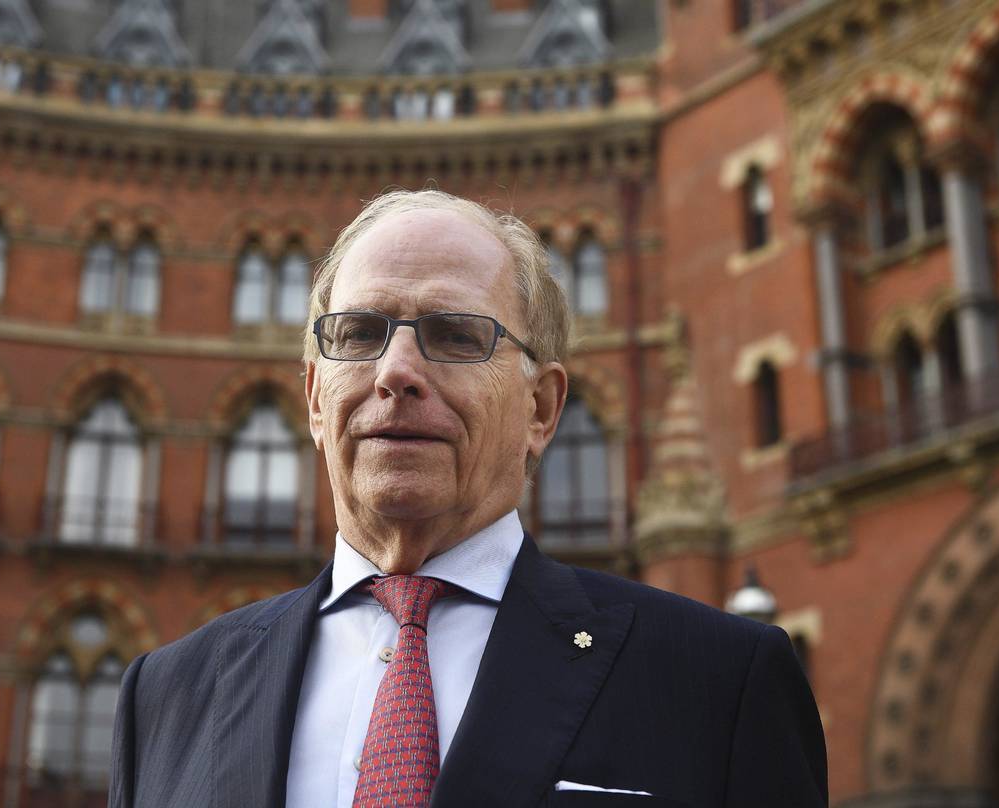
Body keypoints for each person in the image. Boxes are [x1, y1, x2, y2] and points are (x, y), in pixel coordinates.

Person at [109, 190, 827, 808]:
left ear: (541, 408)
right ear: (315, 400)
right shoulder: (165, 697)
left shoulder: (720, 682)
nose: (395, 372)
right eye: (359, 334)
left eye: (454, 336)